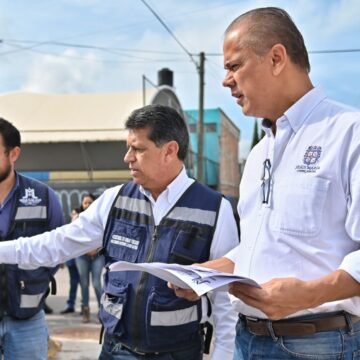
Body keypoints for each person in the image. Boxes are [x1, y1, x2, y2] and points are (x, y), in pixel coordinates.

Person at [171, 6, 360, 360]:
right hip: (249, 341)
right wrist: (207, 274)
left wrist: (312, 293)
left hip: (318, 345)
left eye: (233, 66)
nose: (226, 80)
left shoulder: (350, 134)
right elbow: (265, 247)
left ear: (276, 58)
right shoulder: (260, 153)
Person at [0, 105, 239, 359]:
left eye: (138, 149)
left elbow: (227, 298)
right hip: (116, 350)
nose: (128, 157)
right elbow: (54, 244)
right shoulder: (114, 200)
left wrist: (223, 353)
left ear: (170, 150)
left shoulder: (214, 209)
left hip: (178, 352)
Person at [0, 118, 64, 360]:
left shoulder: (43, 197)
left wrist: (36, 279)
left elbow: (59, 248)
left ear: (13, 153)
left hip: (27, 319)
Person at [75, 193, 104, 323]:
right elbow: (73, 237)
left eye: (90, 202)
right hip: (82, 257)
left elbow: (105, 237)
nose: (87, 205)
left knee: (97, 284)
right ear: (82, 204)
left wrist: (96, 249)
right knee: (84, 284)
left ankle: (102, 311)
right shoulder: (77, 218)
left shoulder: (101, 218)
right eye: (85, 203)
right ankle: (85, 310)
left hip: (97, 256)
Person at [60, 207, 82, 315]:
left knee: (84, 283)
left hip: (82, 260)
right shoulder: (68, 227)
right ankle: (70, 305)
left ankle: (84, 305)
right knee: (73, 283)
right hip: (71, 261)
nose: (74, 216)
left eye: (76, 214)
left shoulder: (82, 228)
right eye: (72, 214)